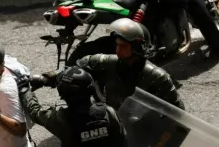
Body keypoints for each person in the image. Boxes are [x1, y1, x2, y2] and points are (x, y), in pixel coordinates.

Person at [34, 18, 184, 110]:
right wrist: (45, 79)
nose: (117, 50)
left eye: (123, 46)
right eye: (117, 45)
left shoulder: (157, 77)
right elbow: (72, 71)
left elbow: (178, 114)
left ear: (138, 47)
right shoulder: (104, 62)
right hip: (113, 128)